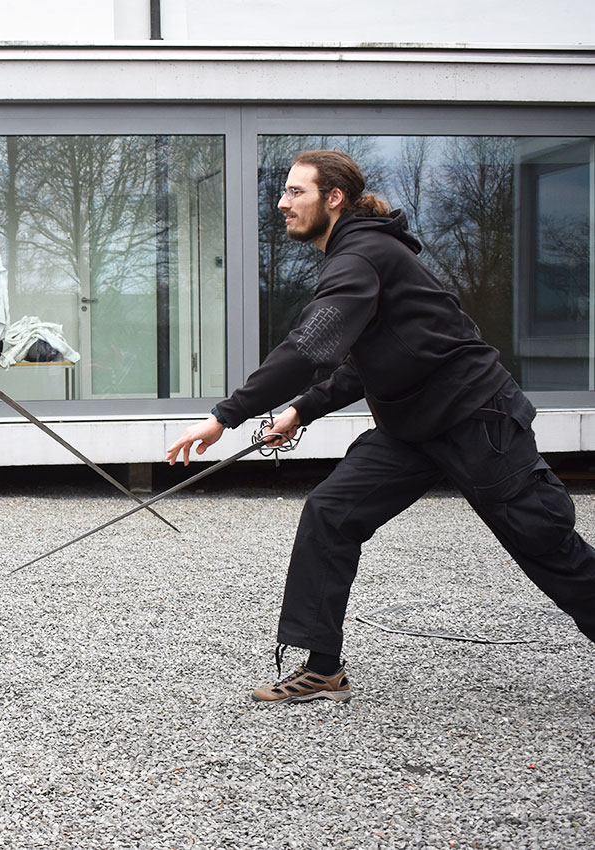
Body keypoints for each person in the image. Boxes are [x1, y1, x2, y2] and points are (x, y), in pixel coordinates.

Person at [165, 149, 595, 705]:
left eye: (297, 192)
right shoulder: (358, 255)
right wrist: (301, 411)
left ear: (334, 198)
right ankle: (322, 668)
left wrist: (225, 416)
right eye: (284, 192)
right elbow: (366, 361)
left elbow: (308, 348)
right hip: (410, 427)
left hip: (476, 420)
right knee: (332, 512)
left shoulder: (361, 256)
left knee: (546, 543)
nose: (282, 203)